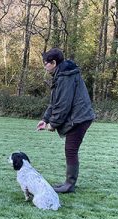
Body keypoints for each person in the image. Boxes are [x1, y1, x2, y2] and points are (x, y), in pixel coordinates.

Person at [36, 48, 95, 193]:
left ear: (54, 62)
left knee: (71, 150)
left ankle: (69, 185)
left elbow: (63, 105)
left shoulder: (64, 76)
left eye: (46, 64)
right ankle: (69, 183)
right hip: (79, 116)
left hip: (80, 118)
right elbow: (54, 102)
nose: (45, 66)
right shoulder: (61, 74)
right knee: (70, 150)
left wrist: (53, 124)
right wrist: (45, 119)